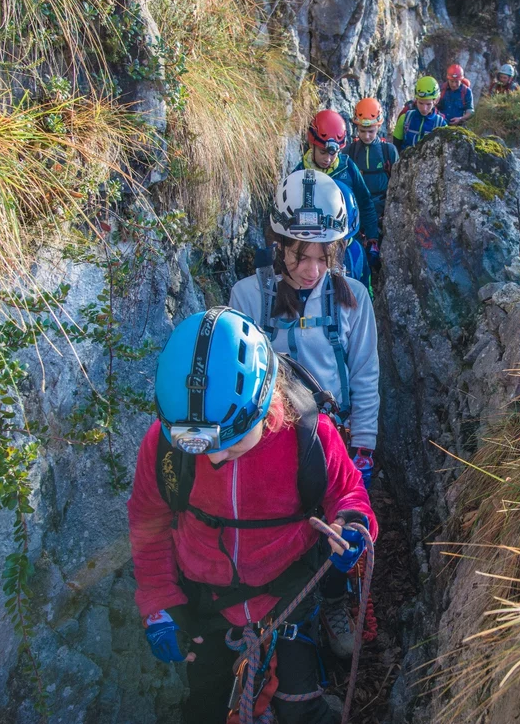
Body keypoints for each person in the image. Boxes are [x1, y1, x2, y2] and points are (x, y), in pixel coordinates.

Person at [129, 306, 378, 724]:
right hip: (205, 605)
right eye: (202, 446)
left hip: (287, 599)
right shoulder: (166, 445)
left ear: (266, 407)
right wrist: (159, 602)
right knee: (206, 709)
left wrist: (353, 525)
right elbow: (148, 521)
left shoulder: (307, 435)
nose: (217, 458)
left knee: (302, 712)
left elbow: (347, 492)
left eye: (232, 442)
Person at [228, 169, 380, 659]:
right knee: (280, 533)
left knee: (337, 531)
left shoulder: (353, 299)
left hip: (332, 441)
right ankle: (285, 624)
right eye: (300, 254)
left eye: (324, 255)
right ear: (279, 244)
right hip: (272, 444)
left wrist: (364, 446)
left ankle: (334, 600)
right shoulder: (248, 299)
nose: (312, 269)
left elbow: (364, 374)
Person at [299, 109, 379, 257]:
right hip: (313, 248)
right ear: (312, 145)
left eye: (333, 153)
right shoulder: (300, 173)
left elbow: (365, 201)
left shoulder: (347, 167)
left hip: (347, 243)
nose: (328, 159)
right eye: (323, 152)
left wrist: (372, 237)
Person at [344, 98, 399, 244]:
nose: (366, 136)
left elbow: (399, 184)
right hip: (357, 209)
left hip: (383, 211)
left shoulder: (389, 151)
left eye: (371, 131)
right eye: (362, 131)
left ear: (379, 127)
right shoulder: (349, 152)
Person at [392, 76, 448, 151]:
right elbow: (395, 147)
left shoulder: (441, 124)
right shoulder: (405, 118)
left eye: (428, 104)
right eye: (421, 103)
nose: (424, 109)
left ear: (436, 101)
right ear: (416, 100)